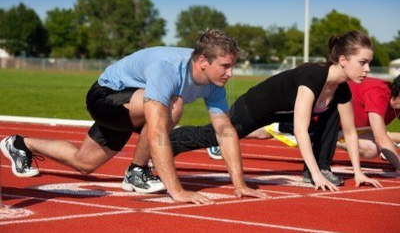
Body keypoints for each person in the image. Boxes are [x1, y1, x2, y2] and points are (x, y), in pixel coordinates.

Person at [0, 29, 266, 205]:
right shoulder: (168, 69)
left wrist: (239, 184)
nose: (230, 73)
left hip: (128, 106)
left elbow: (225, 131)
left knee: (84, 162)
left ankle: (21, 143)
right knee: (172, 105)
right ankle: (136, 171)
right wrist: (177, 190)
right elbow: (158, 131)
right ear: (202, 62)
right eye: (226, 66)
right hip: (105, 96)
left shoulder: (213, 83)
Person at [170, 30, 382, 191]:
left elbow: (350, 132)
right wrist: (318, 176)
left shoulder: (341, 90)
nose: (367, 69)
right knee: (215, 136)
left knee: (331, 116)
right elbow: (301, 130)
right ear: (343, 60)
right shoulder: (313, 77)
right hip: (256, 107)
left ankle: (319, 167)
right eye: (362, 62)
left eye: (369, 63)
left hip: (284, 113)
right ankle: (172, 141)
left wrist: (358, 172)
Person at [221, 75, 400, 173]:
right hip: (316, 117)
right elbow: (381, 136)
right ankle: (219, 137)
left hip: (339, 125)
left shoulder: (394, 105)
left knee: (371, 149)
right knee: (266, 131)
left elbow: (383, 136)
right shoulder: (379, 94)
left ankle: (330, 139)